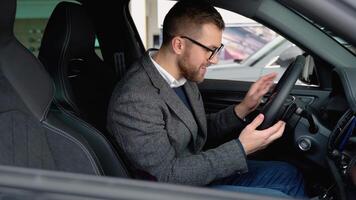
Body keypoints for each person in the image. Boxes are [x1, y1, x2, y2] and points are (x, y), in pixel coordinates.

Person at [107, 0, 305, 198]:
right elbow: (167, 176)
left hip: (199, 172)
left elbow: (197, 131)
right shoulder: (135, 99)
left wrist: (243, 108)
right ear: (179, 44)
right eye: (210, 50)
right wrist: (241, 148)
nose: (215, 60)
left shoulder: (184, 76)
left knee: (288, 173)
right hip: (175, 191)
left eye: (217, 50)